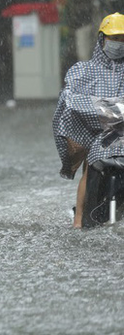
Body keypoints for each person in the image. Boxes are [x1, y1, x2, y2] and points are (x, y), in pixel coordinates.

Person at [53, 12, 124, 228]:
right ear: (102, 39)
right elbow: (70, 98)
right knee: (90, 163)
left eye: (123, 39)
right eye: (114, 38)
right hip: (96, 135)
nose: (118, 44)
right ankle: (79, 219)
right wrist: (109, 110)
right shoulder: (83, 71)